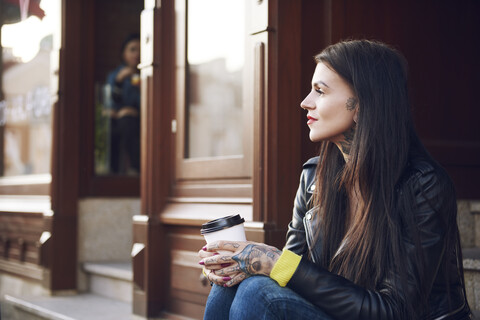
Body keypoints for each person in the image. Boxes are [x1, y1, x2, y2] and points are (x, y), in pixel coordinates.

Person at [198, 40, 472, 320]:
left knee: (256, 291)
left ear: (362, 104)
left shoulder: (423, 186)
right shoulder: (313, 178)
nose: (306, 102)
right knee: (234, 285)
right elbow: (288, 273)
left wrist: (274, 262)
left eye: (320, 91)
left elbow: (395, 311)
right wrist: (236, 264)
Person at [106, 33, 141, 174]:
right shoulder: (115, 76)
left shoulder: (145, 74)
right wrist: (119, 82)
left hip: (137, 118)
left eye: (140, 50)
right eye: (133, 49)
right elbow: (111, 102)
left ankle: (135, 168)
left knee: (128, 122)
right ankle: (112, 171)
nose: (137, 54)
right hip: (118, 118)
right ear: (124, 53)